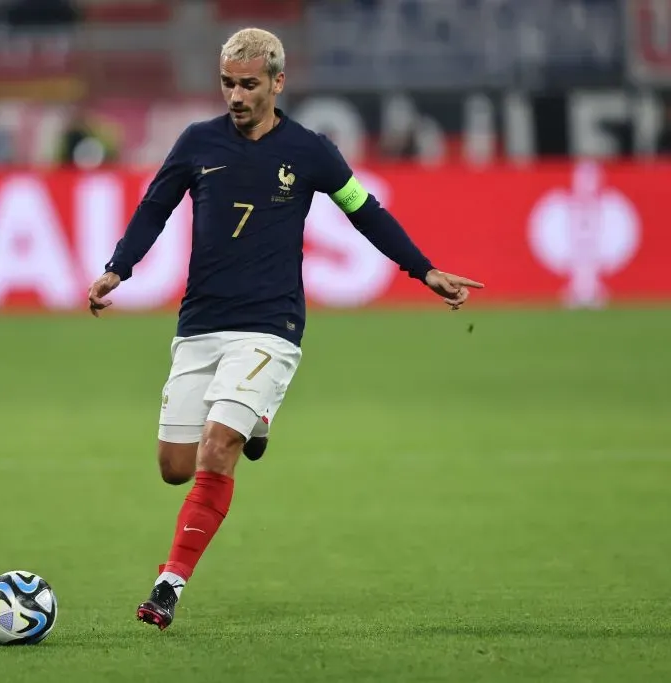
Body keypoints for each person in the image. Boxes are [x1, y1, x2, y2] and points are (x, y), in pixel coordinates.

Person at [86, 27, 484, 631]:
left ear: (277, 82)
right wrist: (119, 266)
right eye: (227, 83)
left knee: (218, 447)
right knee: (175, 466)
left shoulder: (310, 151)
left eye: (248, 84)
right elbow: (154, 207)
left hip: (272, 324)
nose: (236, 96)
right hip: (202, 322)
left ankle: (169, 585)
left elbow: (364, 210)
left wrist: (422, 269)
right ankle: (260, 418)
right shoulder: (197, 144)